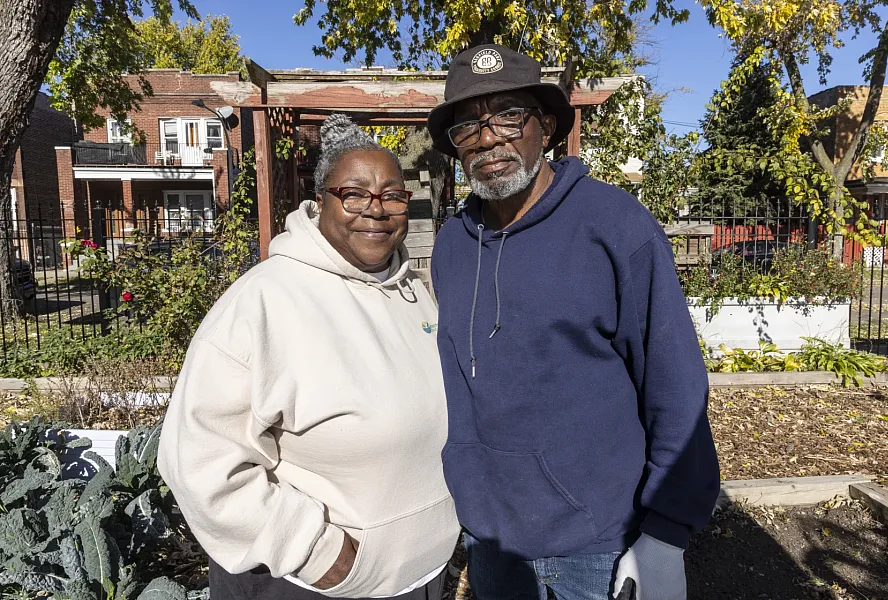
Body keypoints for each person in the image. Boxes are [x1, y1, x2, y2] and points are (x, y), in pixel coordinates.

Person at [426, 44, 720, 600]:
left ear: (547, 126)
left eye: (509, 115)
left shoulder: (614, 226)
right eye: (467, 125)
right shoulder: (451, 247)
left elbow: (675, 385)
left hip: (596, 545)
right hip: (491, 540)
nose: (488, 138)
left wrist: (665, 535)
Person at [158, 114, 459, 600]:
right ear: (321, 202)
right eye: (355, 193)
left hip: (418, 577)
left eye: (393, 194)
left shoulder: (412, 293)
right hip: (310, 583)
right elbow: (197, 460)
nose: (376, 210)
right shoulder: (264, 302)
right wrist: (316, 552)